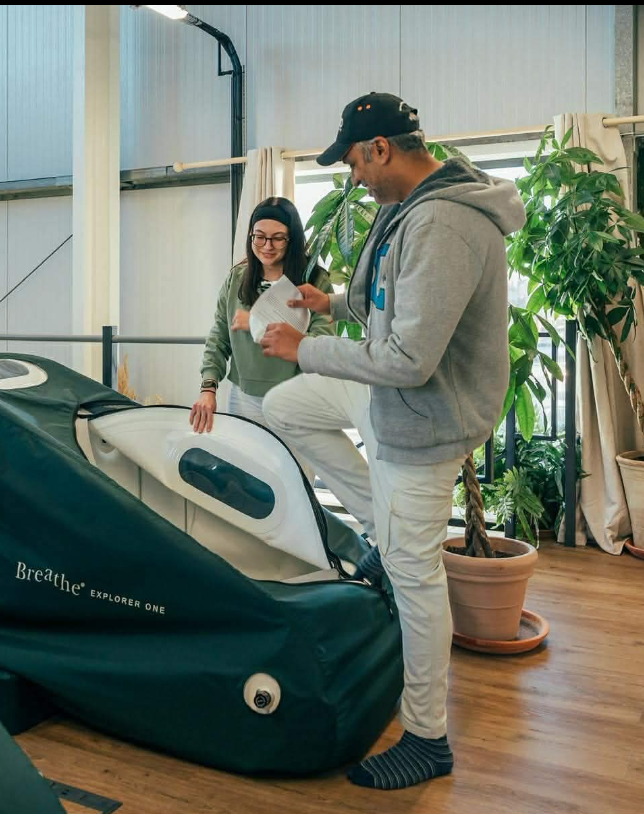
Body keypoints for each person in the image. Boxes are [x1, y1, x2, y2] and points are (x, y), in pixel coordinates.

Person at [259, 92, 525, 790]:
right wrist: (333, 306)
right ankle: (385, 529)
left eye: (353, 162)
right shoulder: (407, 209)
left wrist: (303, 347)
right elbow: (388, 293)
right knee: (288, 408)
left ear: (381, 148)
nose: (353, 178)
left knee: (416, 578)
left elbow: (410, 357)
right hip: (391, 399)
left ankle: (428, 737)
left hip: (422, 419)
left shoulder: (443, 223)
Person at [190, 197, 333, 445]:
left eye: (278, 238)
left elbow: (321, 344)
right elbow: (218, 338)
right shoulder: (237, 278)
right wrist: (208, 388)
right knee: (247, 476)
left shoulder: (314, 280)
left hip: (296, 398)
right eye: (259, 236)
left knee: (292, 478)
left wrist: (256, 323)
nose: (267, 245)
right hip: (242, 399)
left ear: (293, 239)